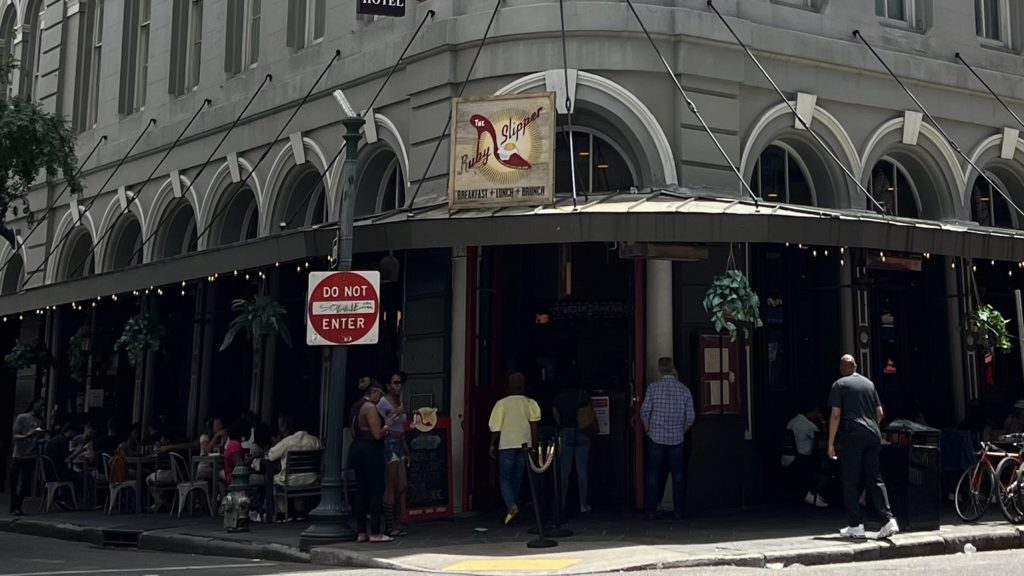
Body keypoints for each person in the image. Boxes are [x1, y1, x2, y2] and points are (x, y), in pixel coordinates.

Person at [827, 354, 899, 539]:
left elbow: (836, 415)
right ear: (856, 366)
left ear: (841, 368)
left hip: (852, 433)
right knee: (875, 477)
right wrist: (872, 426)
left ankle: (855, 525)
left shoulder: (839, 385)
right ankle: (888, 519)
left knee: (850, 479)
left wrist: (830, 443)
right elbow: (880, 412)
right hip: (873, 433)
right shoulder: (869, 384)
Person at [641, 357, 695, 520]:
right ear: (673, 369)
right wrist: (682, 432)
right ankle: (678, 510)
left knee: (653, 474)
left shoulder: (653, 388)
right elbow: (691, 417)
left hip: (656, 437)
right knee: (678, 475)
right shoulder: (684, 390)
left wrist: (648, 429)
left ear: (659, 369)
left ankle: (651, 509)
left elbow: (644, 412)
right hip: (677, 439)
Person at [488, 372, 541, 526]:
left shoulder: (502, 404)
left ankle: (511, 506)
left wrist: (492, 444)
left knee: (504, 478)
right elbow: (534, 426)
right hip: (525, 445)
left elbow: (495, 428)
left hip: (507, 445)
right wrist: (535, 445)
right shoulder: (529, 403)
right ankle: (512, 509)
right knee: (517, 479)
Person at [348, 378, 393, 543]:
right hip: (370, 450)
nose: (380, 398)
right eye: (379, 394)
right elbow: (376, 434)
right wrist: (387, 426)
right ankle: (375, 532)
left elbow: (354, 432)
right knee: (376, 489)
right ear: (373, 391)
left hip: (357, 447)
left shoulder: (355, 406)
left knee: (361, 490)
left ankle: (361, 531)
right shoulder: (370, 407)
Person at [265, 415, 321, 520]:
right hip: (310, 479)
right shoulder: (315, 441)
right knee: (301, 477)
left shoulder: (287, 442)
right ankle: (300, 512)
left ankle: (282, 513)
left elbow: (271, 455)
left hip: (289, 480)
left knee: (274, 480)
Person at [552, 375, 592, 514]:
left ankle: (561, 503)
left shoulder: (558, 397)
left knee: (564, 471)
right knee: (582, 471)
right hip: (582, 432)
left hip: (565, 432)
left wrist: (562, 426)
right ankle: (583, 504)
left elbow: (555, 414)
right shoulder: (583, 394)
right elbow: (589, 413)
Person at [377, 371, 410, 537]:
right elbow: (382, 424)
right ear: (388, 385)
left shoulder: (399, 401)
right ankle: (390, 525)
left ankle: (397, 520)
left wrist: (405, 448)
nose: (399, 386)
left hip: (399, 441)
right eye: (396, 383)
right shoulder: (383, 403)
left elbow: (401, 427)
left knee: (402, 485)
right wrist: (397, 412)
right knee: (391, 485)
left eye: (400, 383)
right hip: (389, 442)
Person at [781, 404, 829, 508]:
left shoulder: (792, 421)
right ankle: (813, 493)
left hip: (787, 458)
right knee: (825, 465)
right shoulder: (809, 426)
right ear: (815, 411)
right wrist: (823, 422)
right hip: (802, 459)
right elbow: (822, 441)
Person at [9, 399, 45, 515]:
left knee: (26, 482)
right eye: (40, 405)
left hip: (31, 455)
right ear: (34, 404)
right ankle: (13, 500)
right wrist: (27, 436)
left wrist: (41, 440)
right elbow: (15, 436)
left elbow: (39, 438)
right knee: (13, 481)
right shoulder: (22, 417)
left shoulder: (41, 421)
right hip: (18, 454)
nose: (42, 408)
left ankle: (18, 505)